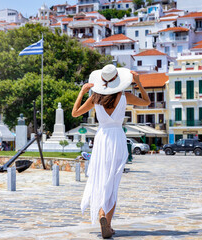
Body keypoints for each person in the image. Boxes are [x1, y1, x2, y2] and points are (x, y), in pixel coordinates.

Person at [72, 64, 150, 238]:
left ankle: (102, 215)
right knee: (112, 182)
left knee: (100, 178)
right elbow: (147, 102)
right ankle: (105, 218)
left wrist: (82, 91)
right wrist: (138, 82)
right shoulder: (125, 96)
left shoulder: (95, 98)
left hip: (101, 139)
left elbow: (75, 113)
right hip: (117, 139)